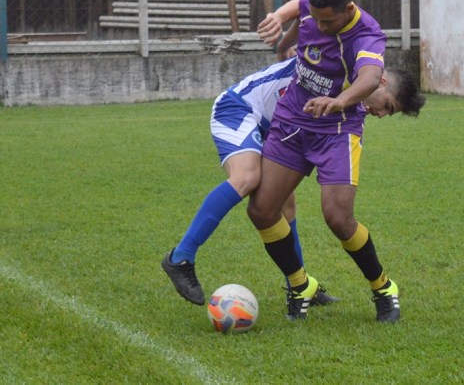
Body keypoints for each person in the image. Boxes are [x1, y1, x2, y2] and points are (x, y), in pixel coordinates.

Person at [161, 47, 417, 306]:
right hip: (240, 107)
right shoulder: (338, 66)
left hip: (275, 126)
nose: (382, 114)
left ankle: (301, 285)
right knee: (247, 177)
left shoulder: (353, 100)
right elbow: (306, 42)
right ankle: (181, 257)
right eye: (388, 106)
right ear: (380, 81)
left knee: (286, 205)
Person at [252, 0, 425, 322]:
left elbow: (369, 78)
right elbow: (298, 7)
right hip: (294, 118)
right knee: (262, 210)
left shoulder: (368, 35)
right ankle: (301, 286)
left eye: (326, 20)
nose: (318, 24)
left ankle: (383, 287)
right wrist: (280, 21)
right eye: (315, 17)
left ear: (347, 9)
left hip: (338, 128)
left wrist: (339, 101)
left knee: (337, 216)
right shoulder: (317, 9)